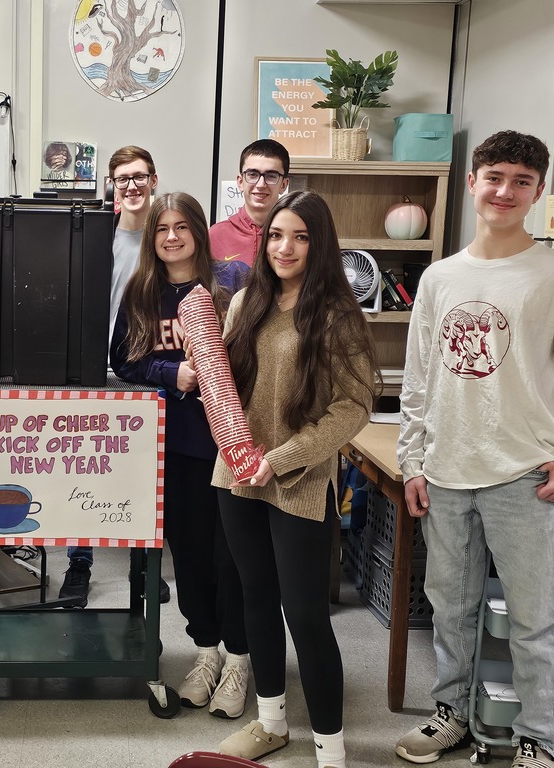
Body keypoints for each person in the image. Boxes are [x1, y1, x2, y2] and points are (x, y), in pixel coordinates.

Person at [394, 131, 554, 768]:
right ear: (473, 183)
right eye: (494, 177)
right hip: (448, 471)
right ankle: (452, 712)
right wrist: (412, 461)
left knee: (536, 620)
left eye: (520, 181)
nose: (504, 191)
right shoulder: (439, 278)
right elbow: (420, 377)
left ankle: (539, 737)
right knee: (449, 609)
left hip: (526, 478)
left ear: (538, 191)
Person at [211, 190, 376, 767]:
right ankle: (272, 722)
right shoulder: (245, 305)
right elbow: (225, 388)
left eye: (301, 237)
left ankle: (330, 748)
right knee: (255, 596)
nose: (285, 247)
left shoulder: (337, 315)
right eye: (276, 235)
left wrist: (279, 459)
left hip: (298, 481)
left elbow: (352, 408)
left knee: (305, 614)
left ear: (320, 243)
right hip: (237, 475)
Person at [111, 192, 251, 718]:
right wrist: (173, 374)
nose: (171, 236)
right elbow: (124, 360)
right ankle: (206, 652)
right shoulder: (143, 292)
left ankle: (239, 659)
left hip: (234, 447)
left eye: (181, 227)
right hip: (177, 448)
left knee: (233, 558)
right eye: (161, 228)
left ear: (198, 230)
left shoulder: (231, 281)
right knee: (190, 558)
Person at [58, 145, 170, 607]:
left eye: (140, 176)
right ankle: (78, 565)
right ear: (111, 185)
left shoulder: (166, 239)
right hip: (96, 369)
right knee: (86, 470)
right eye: (122, 178)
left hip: (148, 368)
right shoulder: (95, 238)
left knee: (145, 473)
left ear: (154, 180)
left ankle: (144, 565)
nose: (131, 185)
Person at [209, 139, 290, 267]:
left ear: (284, 184)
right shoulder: (214, 236)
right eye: (252, 174)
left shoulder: (294, 237)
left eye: (271, 176)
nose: (261, 184)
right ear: (240, 182)